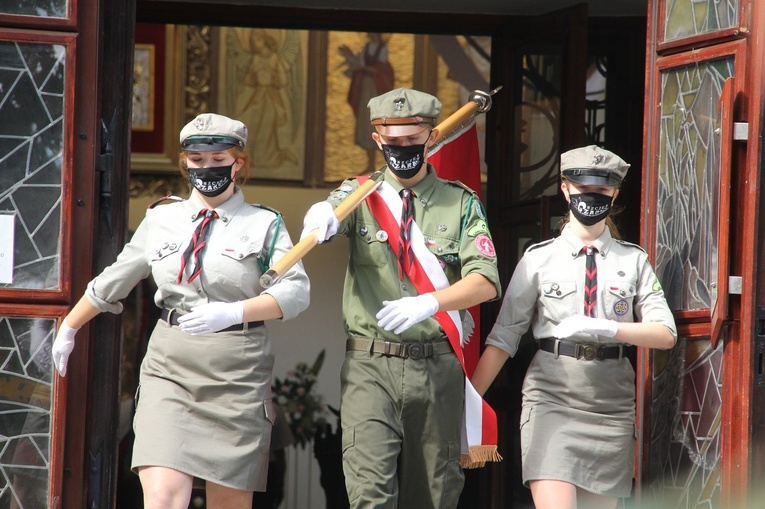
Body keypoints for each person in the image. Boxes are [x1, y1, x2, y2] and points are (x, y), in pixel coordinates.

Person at [51, 113, 310, 509]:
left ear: (238, 162)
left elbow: (296, 293)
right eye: (197, 160)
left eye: (218, 159)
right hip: (170, 366)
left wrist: (233, 312)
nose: (207, 168)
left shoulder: (265, 224)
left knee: (229, 502)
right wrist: (70, 325)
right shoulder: (161, 218)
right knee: (163, 498)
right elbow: (117, 277)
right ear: (185, 162)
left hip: (237, 372)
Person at [300, 88, 501, 509]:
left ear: (431, 136)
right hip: (371, 365)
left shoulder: (460, 202)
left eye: (413, 140)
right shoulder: (359, 195)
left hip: (436, 365)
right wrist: (321, 215)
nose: (403, 150)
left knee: (433, 495)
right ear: (377, 139)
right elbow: (330, 214)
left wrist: (432, 302)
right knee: (369, 494)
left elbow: (484, 282)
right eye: (393, 142)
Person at [471, 145, 677, 509]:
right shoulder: (538, 259)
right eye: (583, 190)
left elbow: (665, 333)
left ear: (614, 193)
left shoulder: (633, 260)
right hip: (552, 396)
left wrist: (610, 329)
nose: (591, 198)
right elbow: (504, 338)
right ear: (565, 189)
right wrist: (469, 402)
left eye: (601, 191)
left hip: (610, 405)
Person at [338, 32, 395, 173]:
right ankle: (370, 163)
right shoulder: (367, 47)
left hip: (376, 88)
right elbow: (361, 64)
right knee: (365, 124)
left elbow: (381, 70)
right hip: (365, 88)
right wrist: (350, 57)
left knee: (378, 123)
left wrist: (362, 68)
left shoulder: (382, 49)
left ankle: (390, 163)